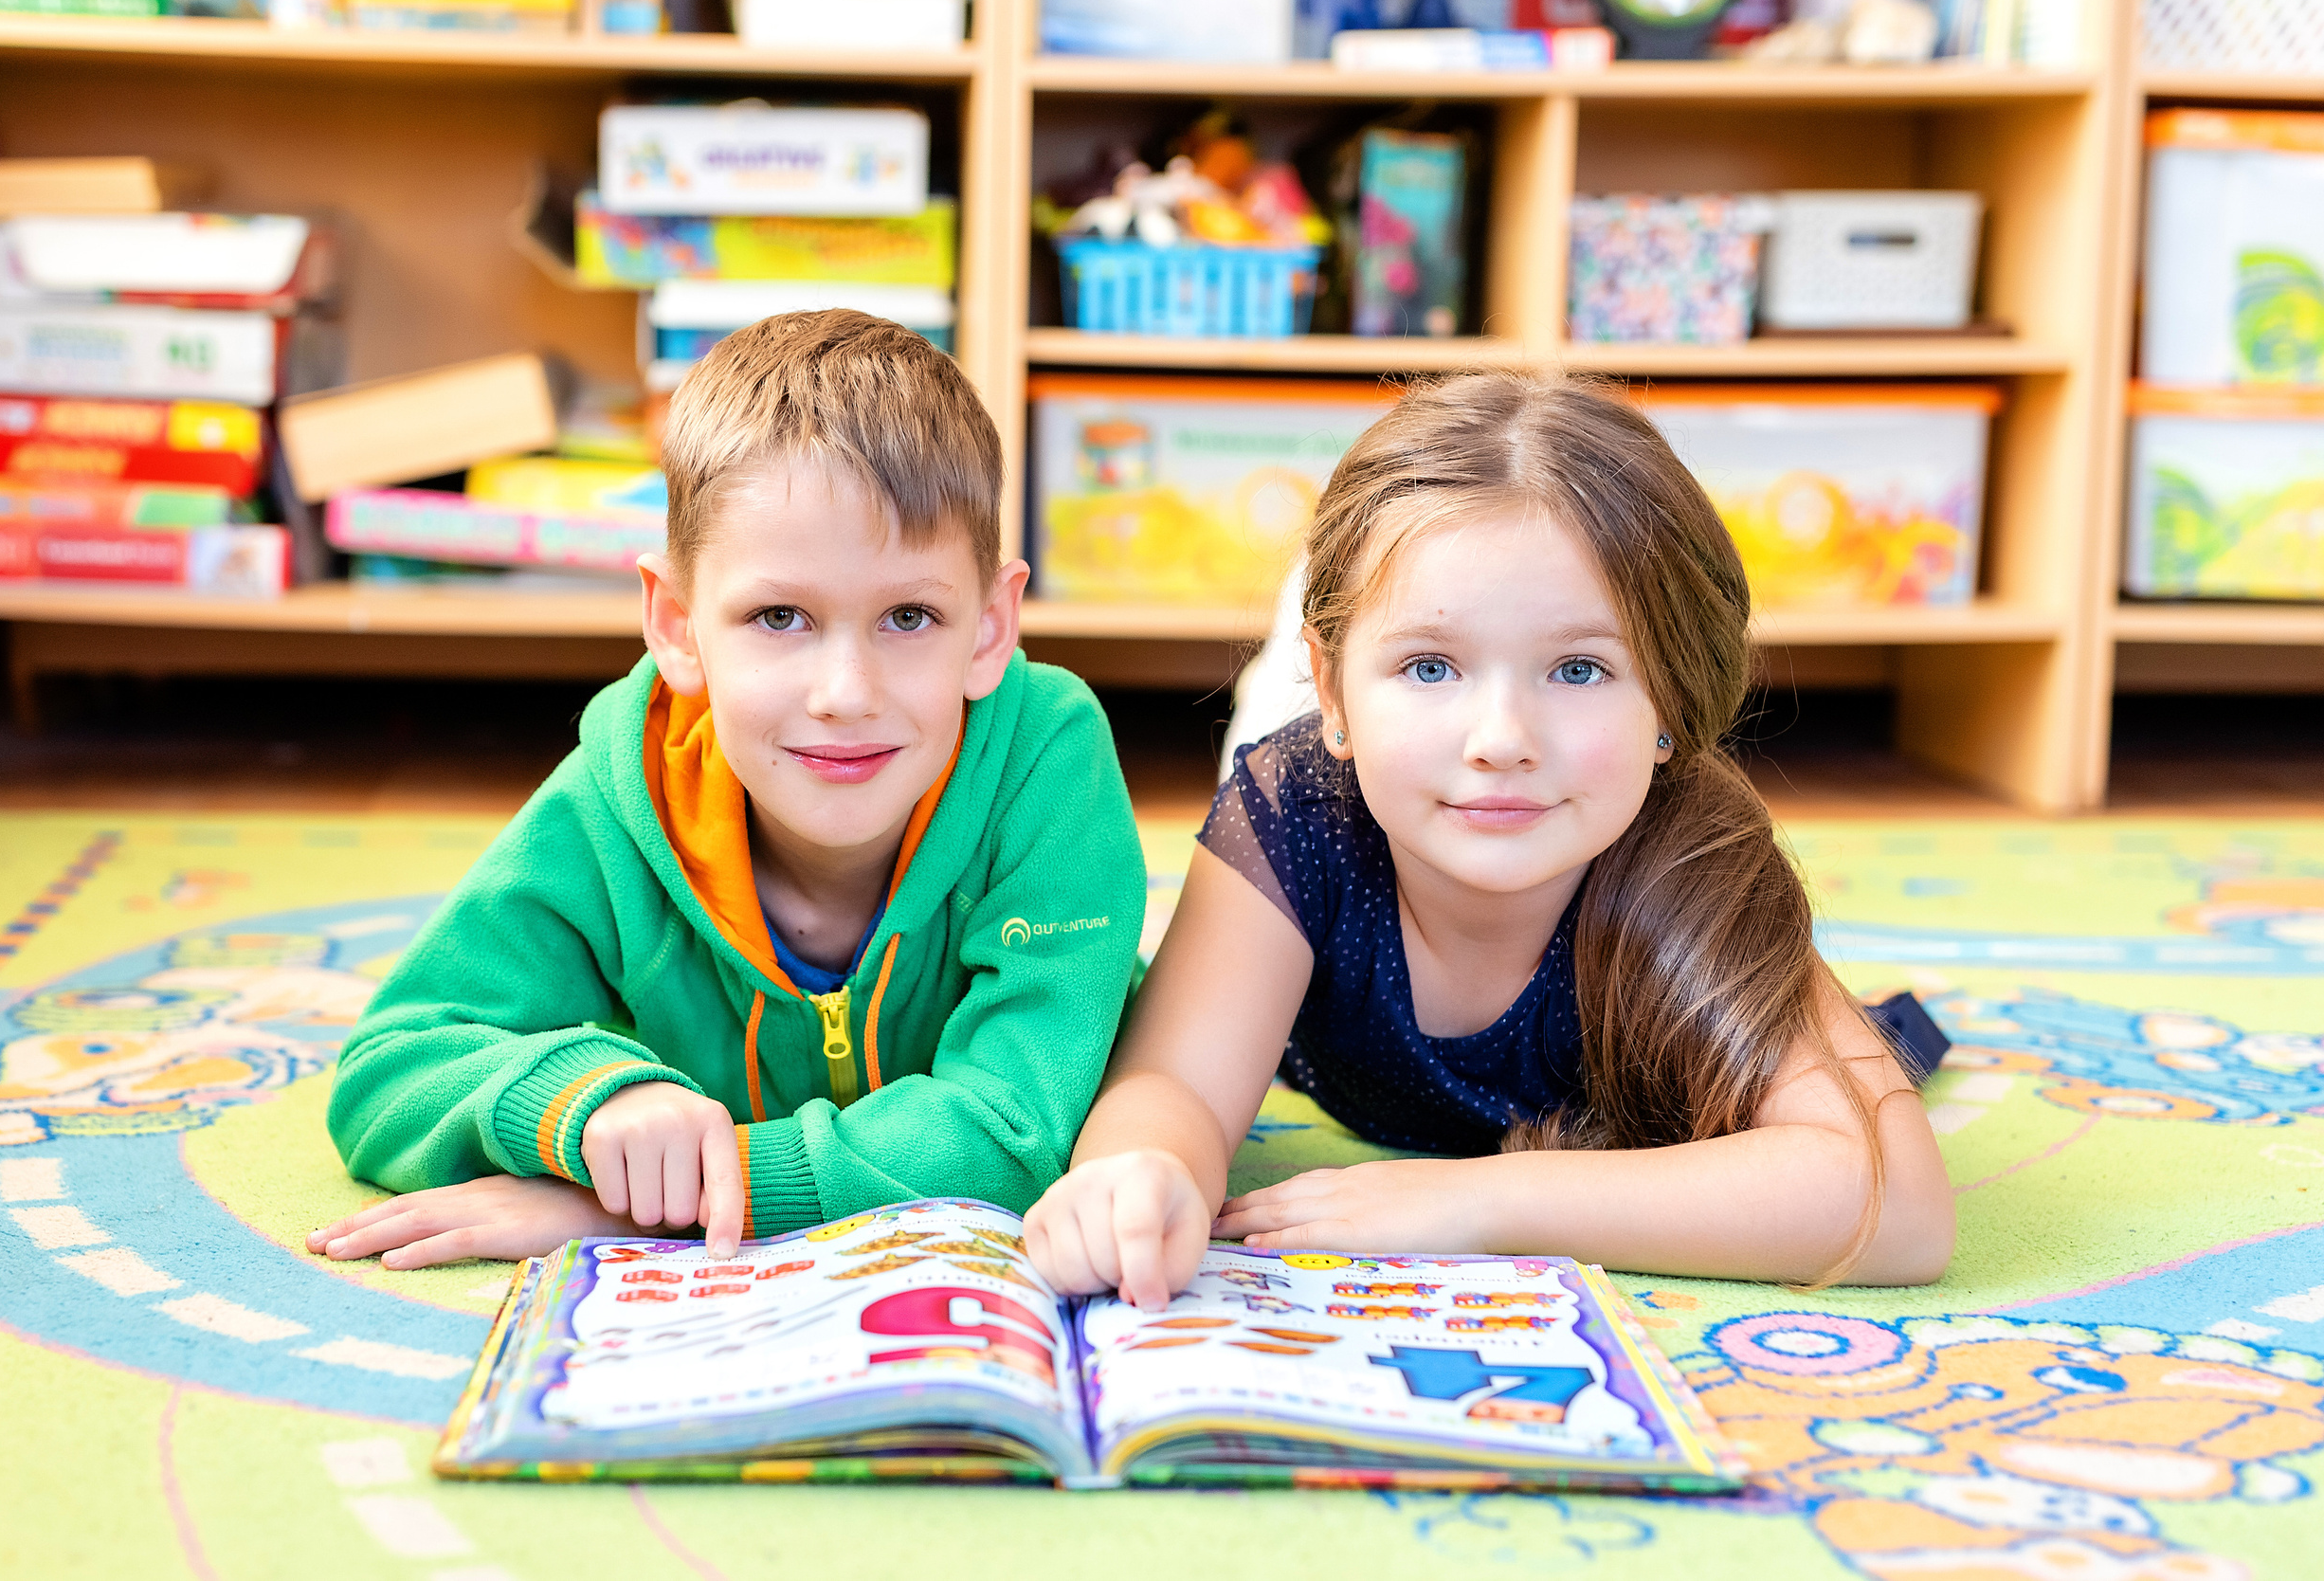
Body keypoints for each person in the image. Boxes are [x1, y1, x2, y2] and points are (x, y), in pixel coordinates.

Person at [1024, 368, 1955, 1310]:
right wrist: (1140, 1172)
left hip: (1544, 851)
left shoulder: (1690, 854)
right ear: (1332, 689)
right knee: (1298, 737)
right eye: (1432, 665)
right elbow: (1175, 1080)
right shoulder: (1296, 811)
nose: (1502, 740)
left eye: (1578, 669)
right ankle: (1327, 653)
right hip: (1348, 769)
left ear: (1670, 699)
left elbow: (1902, 1205)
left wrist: (1475, 1201)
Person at [309, 310, 1146, 1269]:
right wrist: (589, 1105)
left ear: (991, 628)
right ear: (675, 624)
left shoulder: (1046, 759)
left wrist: (679, 1197)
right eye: (779, 616)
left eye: (910, 616)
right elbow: (390, 1064)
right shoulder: (630, 792)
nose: (845, 694)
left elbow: (1015, 1130)